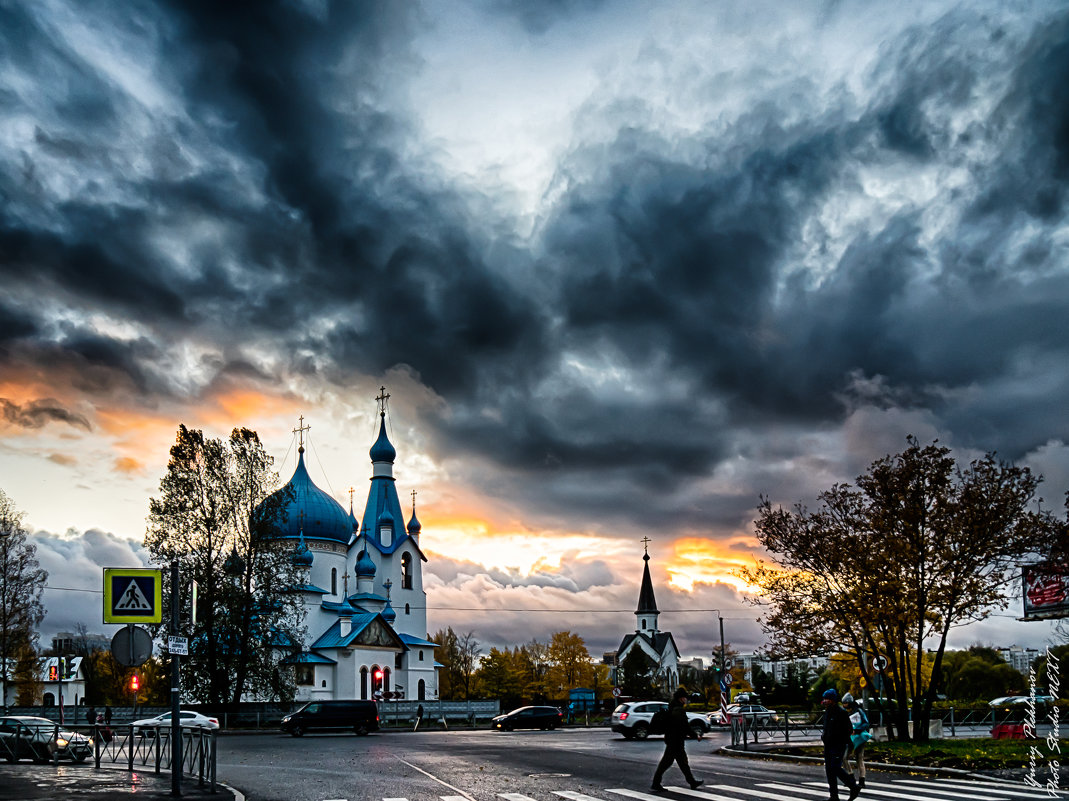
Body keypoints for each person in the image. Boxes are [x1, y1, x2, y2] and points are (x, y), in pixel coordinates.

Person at [651, 687, 704, 792]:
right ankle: (656, 783)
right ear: (681, 698)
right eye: (685, 697)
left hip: (672, 739)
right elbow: (685, 726)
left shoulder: (673, 706)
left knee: (680, 762)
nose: (686, 699)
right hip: (676, 740)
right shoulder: (678, 710)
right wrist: (695, 735)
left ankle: (691, 782)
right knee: (669, 762)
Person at [821, 688, 860, 801]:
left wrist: (842, 740)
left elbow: (848, 729)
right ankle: (834, 796)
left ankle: (853, 786)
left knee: (835, 768)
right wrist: (824, 737)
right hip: (828, 745)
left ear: (833, 700)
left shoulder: (841, 712)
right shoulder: (827, 712)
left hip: (838, 745)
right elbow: (826, 728)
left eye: (827, 699)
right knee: (829, 770)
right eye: (824, 699)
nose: (825, 701)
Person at [841, 694, 871, 790]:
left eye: (845, 703)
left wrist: (857, 730)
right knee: (844, 757)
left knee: (859, 758)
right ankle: (851, 778)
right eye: (843, 703)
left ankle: (862, 780)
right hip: (850, 737)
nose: (844, 705)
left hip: (859, 736)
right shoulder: (845, 712)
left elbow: (866, 723)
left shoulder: (858, 711)